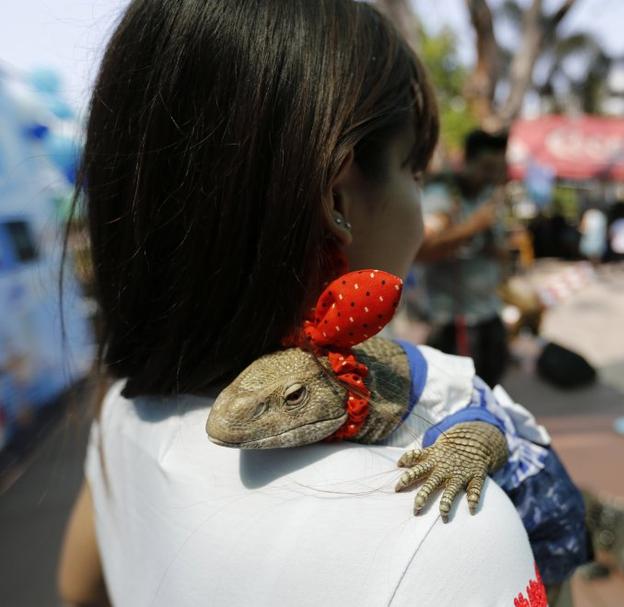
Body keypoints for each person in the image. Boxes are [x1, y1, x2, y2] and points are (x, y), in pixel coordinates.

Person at [56, 2, 551, 605]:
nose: (422, 216)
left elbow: (75, 588)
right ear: (339, 195)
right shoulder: (440, 535)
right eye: (413, 173)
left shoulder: (119, 410)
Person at [415, 130, 511, 387]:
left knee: (489, 387)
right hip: (453, 321)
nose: (492, 176)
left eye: (498, 169)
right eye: (486, 168)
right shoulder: (442, 196)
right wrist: (473, 227)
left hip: (488, 312)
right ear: (467, 161)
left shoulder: (488, 195)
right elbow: (421, 250)